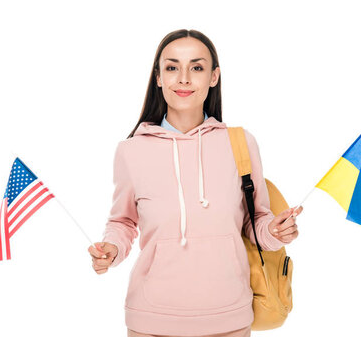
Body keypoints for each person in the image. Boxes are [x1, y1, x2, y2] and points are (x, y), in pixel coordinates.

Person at [88, 29, 302, 337]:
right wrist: (111, 249)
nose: (184, 78)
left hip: (229, 316)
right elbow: (122, 222)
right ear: (158, 77)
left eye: (197, 67)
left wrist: (275, 231)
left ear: (214, 77)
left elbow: (256, 222)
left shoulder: (240, 142)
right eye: (172, 67)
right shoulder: (131, 151)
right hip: (151, 319)